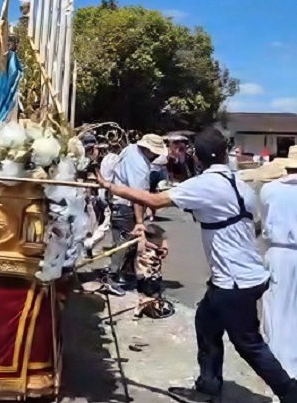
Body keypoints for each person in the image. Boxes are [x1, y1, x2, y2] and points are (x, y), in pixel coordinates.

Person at [97, 127, 297, 402]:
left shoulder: (205, 185)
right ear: (225, 155)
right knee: (206, 323)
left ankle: (289, 392)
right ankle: (209, 383)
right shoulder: (239, 184)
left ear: (198, 158)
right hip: (236, 277)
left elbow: (155, 200)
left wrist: (109, 186)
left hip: (235, 282)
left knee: (249, 343)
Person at [103, 134, 167, 295]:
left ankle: (121, 274)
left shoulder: (130, 150)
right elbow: (137, 196)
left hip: (118, 203)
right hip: (125, 205)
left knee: (124, 242)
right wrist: (140, 221)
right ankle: (111, 277)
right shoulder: (140, 165)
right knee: (124, 244)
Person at [261, 154, 297, 377]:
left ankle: (279, 366)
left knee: (277, 308)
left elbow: (264, 219)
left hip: (279, 250)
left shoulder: (270, 190)